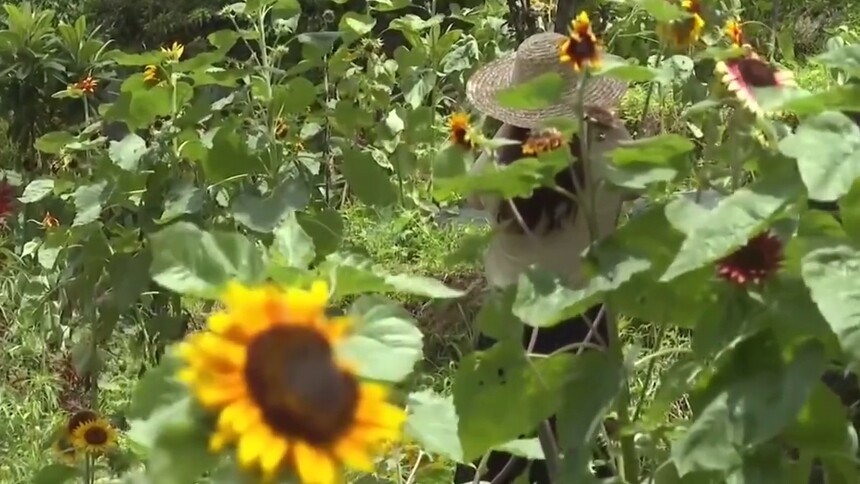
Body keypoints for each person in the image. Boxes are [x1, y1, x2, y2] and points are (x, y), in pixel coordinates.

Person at [452, 31, 636, 483]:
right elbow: (640, 180)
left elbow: (474, 197)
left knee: (489, 456)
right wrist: (611, 126)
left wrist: (511, 125)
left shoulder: (496, 162)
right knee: (576, 455)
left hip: (508, 325)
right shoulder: (607, 152)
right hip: (584, 325)